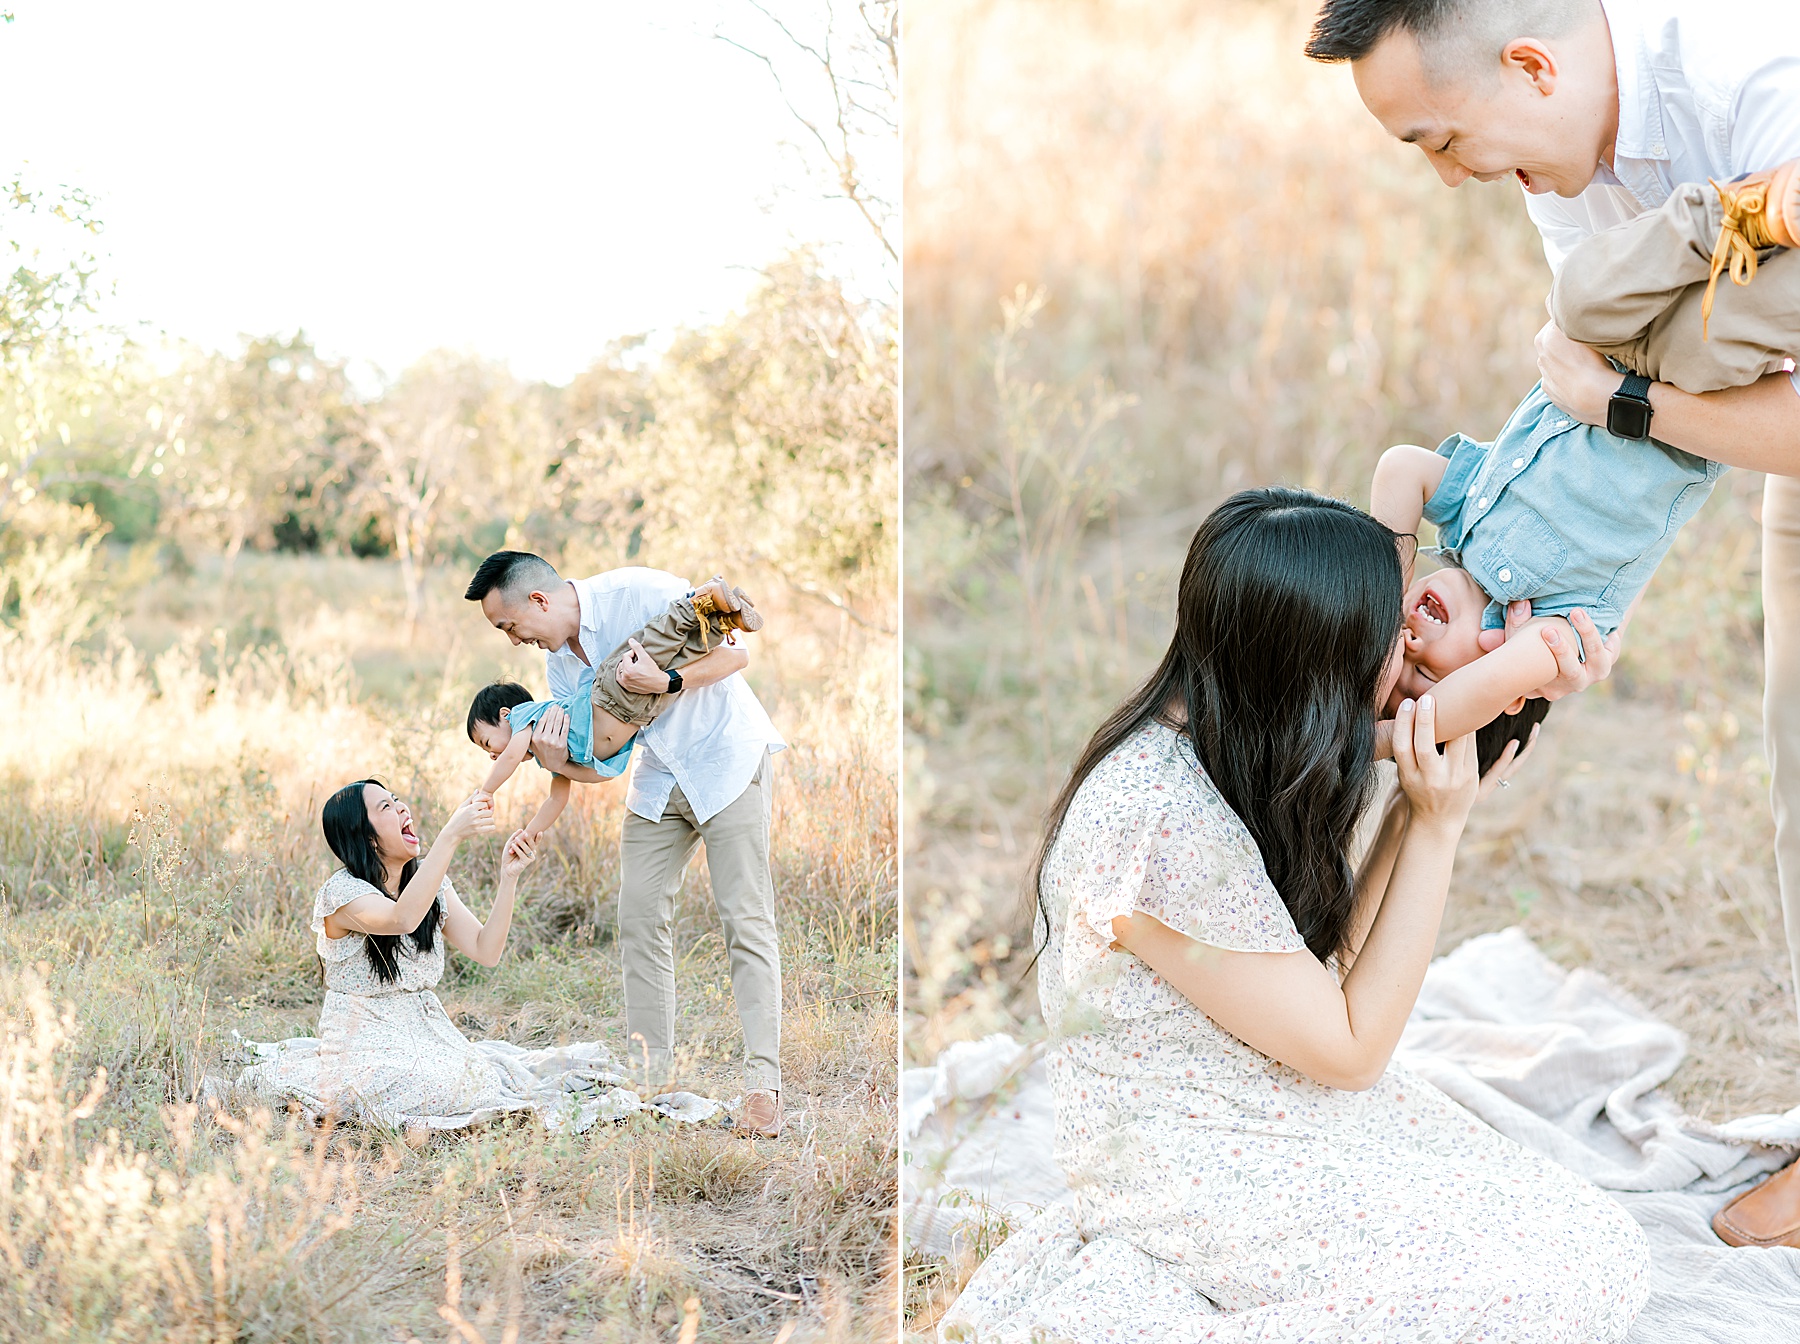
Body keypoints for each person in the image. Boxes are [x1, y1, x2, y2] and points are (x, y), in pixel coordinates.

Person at [1309, 0, 1800, 1247]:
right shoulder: (1541, 617)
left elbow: (1423, 461)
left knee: (1609, 299)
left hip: (1708, 339)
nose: (1450, 177)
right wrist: (1629, 400)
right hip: (1728, 383)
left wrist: (1387, 668)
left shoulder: (1753, 64)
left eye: (1441, 139)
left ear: (1529, 65)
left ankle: (1762, 205)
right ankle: (1760, 213)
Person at [939, 489, 1647, 1343]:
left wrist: (1418, 797)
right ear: (1315, 669)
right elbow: (1351, 1051)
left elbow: (1330, 986)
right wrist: (1436, 828)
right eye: (1393, 644)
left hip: (1267, 1104)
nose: (1410, 658)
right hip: (1190, 1167)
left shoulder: (1218, 742)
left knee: (1586, 1241)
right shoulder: (1155, 824)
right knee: (1571, 1279)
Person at [464, 550, 788, 1137]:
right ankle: (652, 1076)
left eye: (510, 627)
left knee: (745, 918)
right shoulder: (559, 672)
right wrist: (561, 762)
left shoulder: (636, 592)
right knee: (638, 916)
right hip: (659, 780)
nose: (514, 642)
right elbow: (601, 763)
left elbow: (736, 654)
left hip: (723, 759)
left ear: (537, 601)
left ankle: (762, 1087)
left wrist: (666, 681)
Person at [223, 782, 653, 1133]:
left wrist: (508, 879)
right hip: (363, 1030)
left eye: (397, 800)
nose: (402, 807)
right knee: (418, 1084)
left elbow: (487, 950)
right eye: (386, 807)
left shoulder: (429, 881)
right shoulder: (343, 894)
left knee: (477, 1080)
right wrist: (451, 834)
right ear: (365, 835)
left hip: (425, 1025)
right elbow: (401, 918)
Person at [464, 575, 765, 843]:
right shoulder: (548, 745)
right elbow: (558, 797)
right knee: (680, 657)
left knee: (657, 644)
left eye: (487, 743)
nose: (492, 755)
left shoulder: (523, 720)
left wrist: (487, 791)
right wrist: (530, 831)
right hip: (640, 714)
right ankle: (720, 623)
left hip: (612, 692)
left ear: (505, 715)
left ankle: (698, 601)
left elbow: (512, 755)